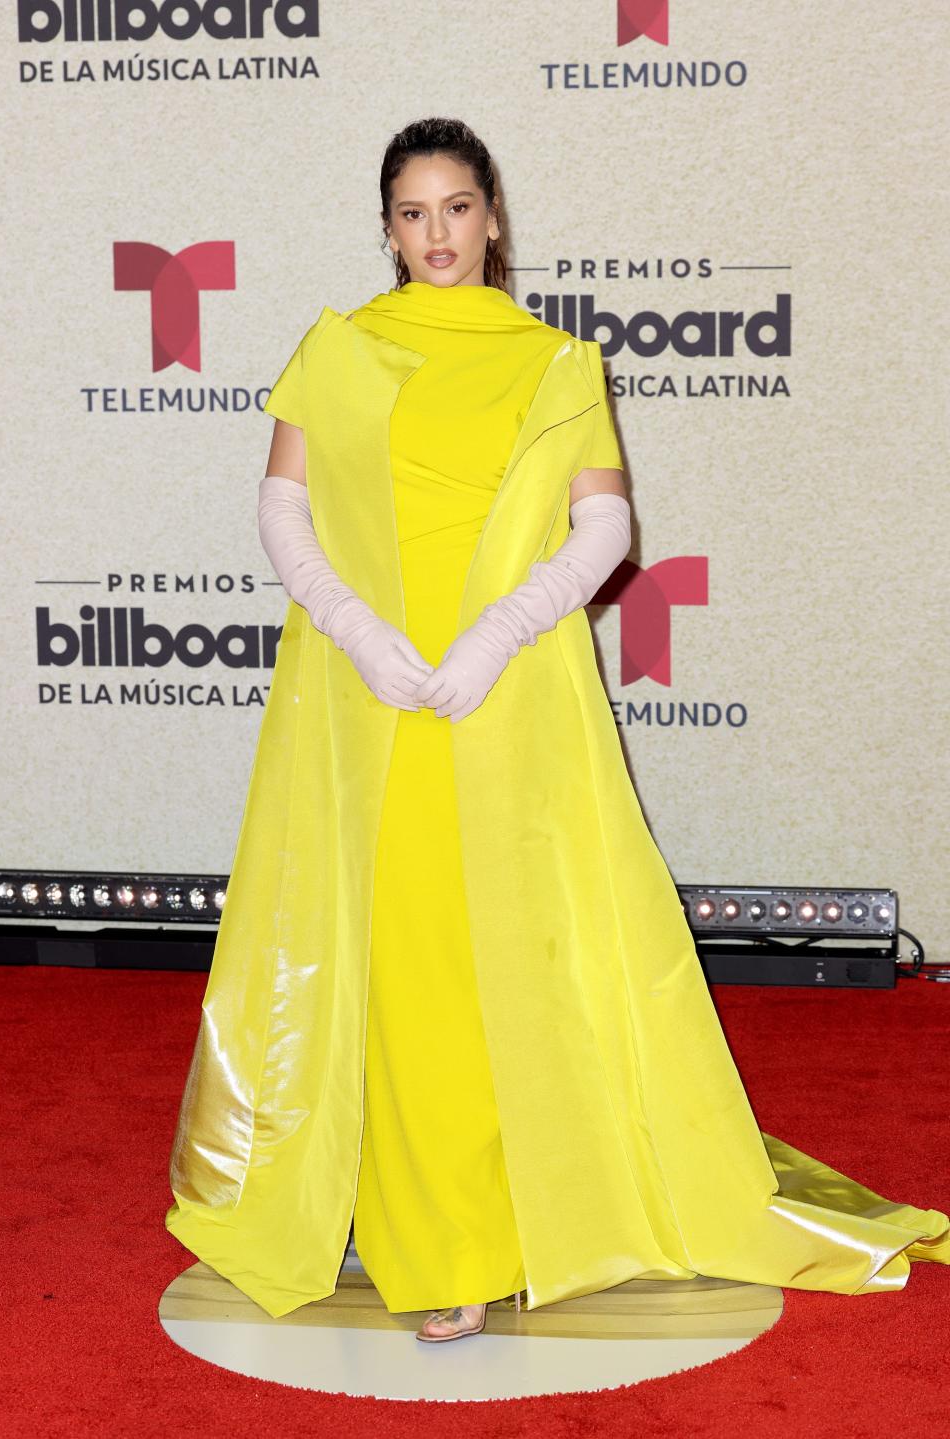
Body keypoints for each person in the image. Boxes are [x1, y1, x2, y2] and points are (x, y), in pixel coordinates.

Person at [165, 117, 949, 1345]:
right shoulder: (336, 348)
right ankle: (416, 1220)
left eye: (459, 207)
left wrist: (489, 641)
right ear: (385, 227)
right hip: (369, 704)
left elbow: (603, 531)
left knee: (507, 960)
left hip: (509, 696)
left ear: (494, 217)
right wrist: (372, 639)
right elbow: (282, 510)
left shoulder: (556, 363)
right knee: (397, 957)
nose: (438, 233)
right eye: (414, 212)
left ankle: (503, 1228)